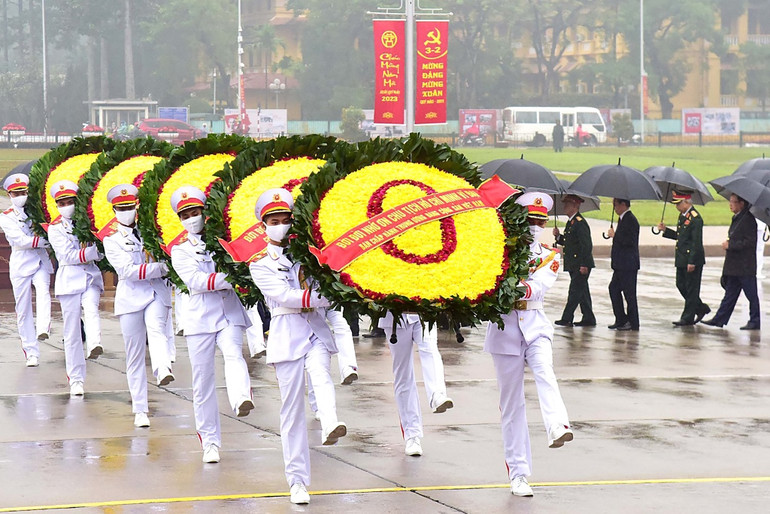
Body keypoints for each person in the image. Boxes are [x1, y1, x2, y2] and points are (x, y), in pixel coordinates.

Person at [249, 188, 347, 505]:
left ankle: (331, 422)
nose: (281, 225)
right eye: (274, 221)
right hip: (286, 330)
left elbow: (326, 280)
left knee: (321, 372)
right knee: (291, 411)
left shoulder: (309, 253)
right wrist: (322, 297)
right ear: (264, 225)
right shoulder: (260, 263)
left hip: (315, 327)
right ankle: (297, 481)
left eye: (285, 220)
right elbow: (285, 296)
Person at [485, 191, 573, 497]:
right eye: (530, 220)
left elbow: (537, 288)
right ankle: (518, 473)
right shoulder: (497, 251)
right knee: (512, 406)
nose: (535, 226)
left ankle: (557, 426)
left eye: (540, 221)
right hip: (505, 331)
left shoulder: (550, 255)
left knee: (545, 372)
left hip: (535, 326)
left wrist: (513, 286)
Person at [169, 186, 254, 464]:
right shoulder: (180, 250)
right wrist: (230, 278)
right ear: (180, 219)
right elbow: (195, 282)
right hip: (199, 319)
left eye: (196, 212)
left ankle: (241, 398)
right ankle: (210, 442)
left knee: (233, 353)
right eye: (187, 215)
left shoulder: (224, 241)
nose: (193, 218)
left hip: (227, 310)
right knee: (202, 381)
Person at [102, 184, 174, 428]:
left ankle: (163, 368)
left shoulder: (151, 231)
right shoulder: (111, 240)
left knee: (156, 329)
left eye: (130, 207)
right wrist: (162, 268)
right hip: (131, 297)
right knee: (134, 355)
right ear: (114, 210)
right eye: (121, 208)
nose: (126, 211)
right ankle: (140, 409)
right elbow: (127, 271)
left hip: (155, 292)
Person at [46, 180, 104, 397]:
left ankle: (95, 344)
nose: (67, 205)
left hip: (89, 276)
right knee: (71, 333)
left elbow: (101, 247)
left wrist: (95, 250)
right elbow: (66, 256)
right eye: (63, 203)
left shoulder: (89, 222)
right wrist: (91, 253)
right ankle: (76, 379)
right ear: (57, 205)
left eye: (71, 201)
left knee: (91, 308)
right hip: (69, 280)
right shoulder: (54, 228)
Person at [378, 313, 454, 458]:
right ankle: (412, 436)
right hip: (395, 316)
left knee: (430, 349)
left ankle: (437, 394)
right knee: (403, 373)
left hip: (423, 311)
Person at [0, 173, 53, 367]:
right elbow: (20, 241)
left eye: (23, 191)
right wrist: (45, 240)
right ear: (10, 195)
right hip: (21, 263)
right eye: (16, 193)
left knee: (43, 290)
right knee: (22, 309)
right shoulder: (6, 218)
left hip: (39, 259)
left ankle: (43, 327)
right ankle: (31, 352)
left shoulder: (37, 212)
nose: (21, 195)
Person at [702, 194, 760, 330]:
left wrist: (731, 245)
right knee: (729, 295)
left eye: (733, 202)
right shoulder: (738, 218)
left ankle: (755, 321)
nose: (730, 204)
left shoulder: (748, 220)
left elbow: (750, 242)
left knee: (751, 295)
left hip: (745, 266)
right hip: (735, 266)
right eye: (730, 201)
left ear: (742, 203)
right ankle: (719, 319)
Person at [656, 191, 710, 326]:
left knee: (692, 288)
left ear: (686, 202)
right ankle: (700, 308)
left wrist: (692, 261)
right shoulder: (682, 216)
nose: (677, 207)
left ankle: (687, 317)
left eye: (679, 203)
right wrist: (665, 230)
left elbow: (696, 242)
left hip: (692, 259)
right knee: (680, 284)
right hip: (681, 258)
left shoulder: (696, 219)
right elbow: (681, 236)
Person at [553, 194, 595, 327]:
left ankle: (567, 318)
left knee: (575, 292)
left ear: (576, 206)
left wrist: (584, 264)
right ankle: (589, 318)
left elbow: (586, 245)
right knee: (582, 292)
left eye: (568, 204)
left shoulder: (580, 223)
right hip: (574, 264)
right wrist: (558, 236)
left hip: (580, 264)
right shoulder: (571, 222)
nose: (565, 207)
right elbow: (570, 242)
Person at [607, 198, 639, 331]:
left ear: (623, 205)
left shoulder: (631, 220)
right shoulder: (622, 219)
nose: (614, 208)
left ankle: (633, 322)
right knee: (613, 289)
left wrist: (615, 235)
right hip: (620, 264)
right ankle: (621, 318)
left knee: (629, 294)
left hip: (628, 265)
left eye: (616, 205)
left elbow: (630, 241)